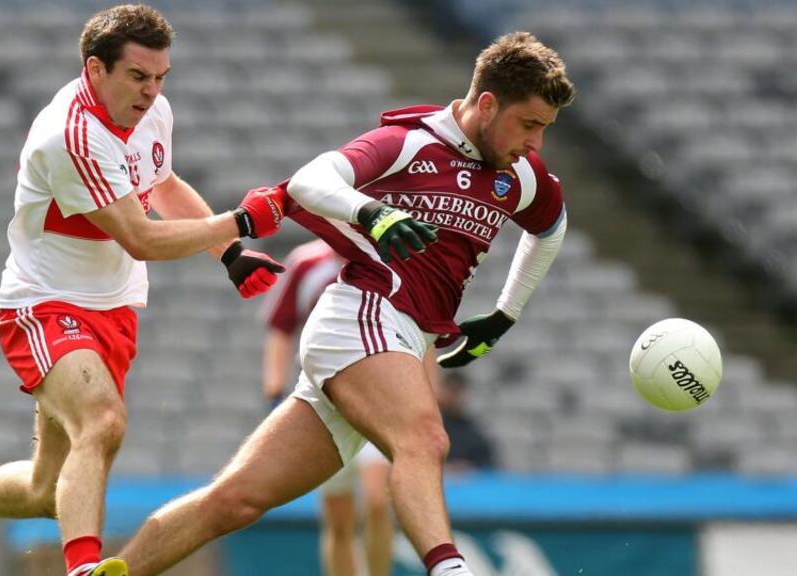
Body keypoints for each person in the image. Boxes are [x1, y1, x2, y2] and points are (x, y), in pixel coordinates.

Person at [115, 31, 575, 576]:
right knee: (424, 437)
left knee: (235, 500)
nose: (536, 143)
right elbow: (311, 180)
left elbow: (551, 228)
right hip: (361, 315)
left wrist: (505, 313)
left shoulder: (520, 175)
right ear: (489, 103)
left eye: (545, 128)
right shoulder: (410, 142)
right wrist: (370, 213)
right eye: (529, 124)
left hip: (400, 334)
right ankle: (451, 569)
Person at [0, 5, 288, 576]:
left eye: (160, 78)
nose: (152, 92)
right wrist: (241, 222)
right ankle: (84, 569)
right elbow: (140, 237)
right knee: (103, 421)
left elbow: (164, 182)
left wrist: (228, 255)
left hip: (113, 308)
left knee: (43, 490)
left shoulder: (151, 111)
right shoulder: (72, 136)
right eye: (138, 77)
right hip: (45, 304)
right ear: (95, 69)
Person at [262, 239, 394, 576]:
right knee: (339, 518)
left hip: (378, 399)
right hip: (325, 401)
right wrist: (275, 392)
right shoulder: (306, 262)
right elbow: (281, 328)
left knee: (378, 499)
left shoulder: (385, 258)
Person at [436, 371, 495, 474]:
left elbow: (487, 463)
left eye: (458, 392)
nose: (455, 397)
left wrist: (469, 467)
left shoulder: (472, 429)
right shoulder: (433, 426)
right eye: (451, 391)